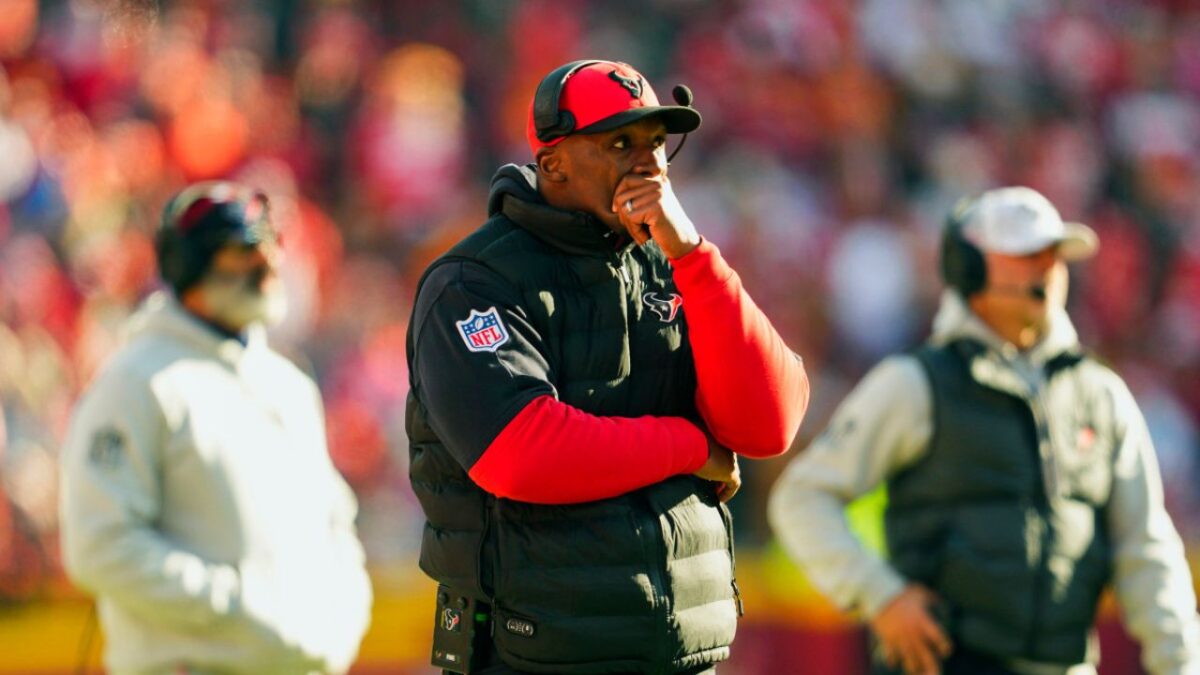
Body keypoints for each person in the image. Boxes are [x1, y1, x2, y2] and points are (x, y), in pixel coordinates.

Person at [406, 59, 810, 675]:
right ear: (554, 163)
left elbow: (769, 424)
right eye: (619, 143)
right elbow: (521, 451)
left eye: (655, 142)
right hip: (534, 655)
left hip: (683, 653)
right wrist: (687, 445)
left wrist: (695, 257)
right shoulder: (474, 281)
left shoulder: (674, 264)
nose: (647, 162)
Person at [769, 187, 1200, 675]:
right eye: (1024, 256)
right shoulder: (915, 383)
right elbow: (802, 497)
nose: (1045, 270)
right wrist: (880, 595)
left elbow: (1146, 546)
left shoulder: (1101, 394)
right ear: (968, 268)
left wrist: (1180, 664)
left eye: (1053, 255)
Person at [59, 181, 373, 675]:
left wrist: (340, 621)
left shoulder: (287, 383)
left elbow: (335, 523)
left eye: (271, 247)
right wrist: (240, 610)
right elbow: (101, 547)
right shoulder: (135, 383)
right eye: (243, 251)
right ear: (189, 266)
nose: (270, 265)